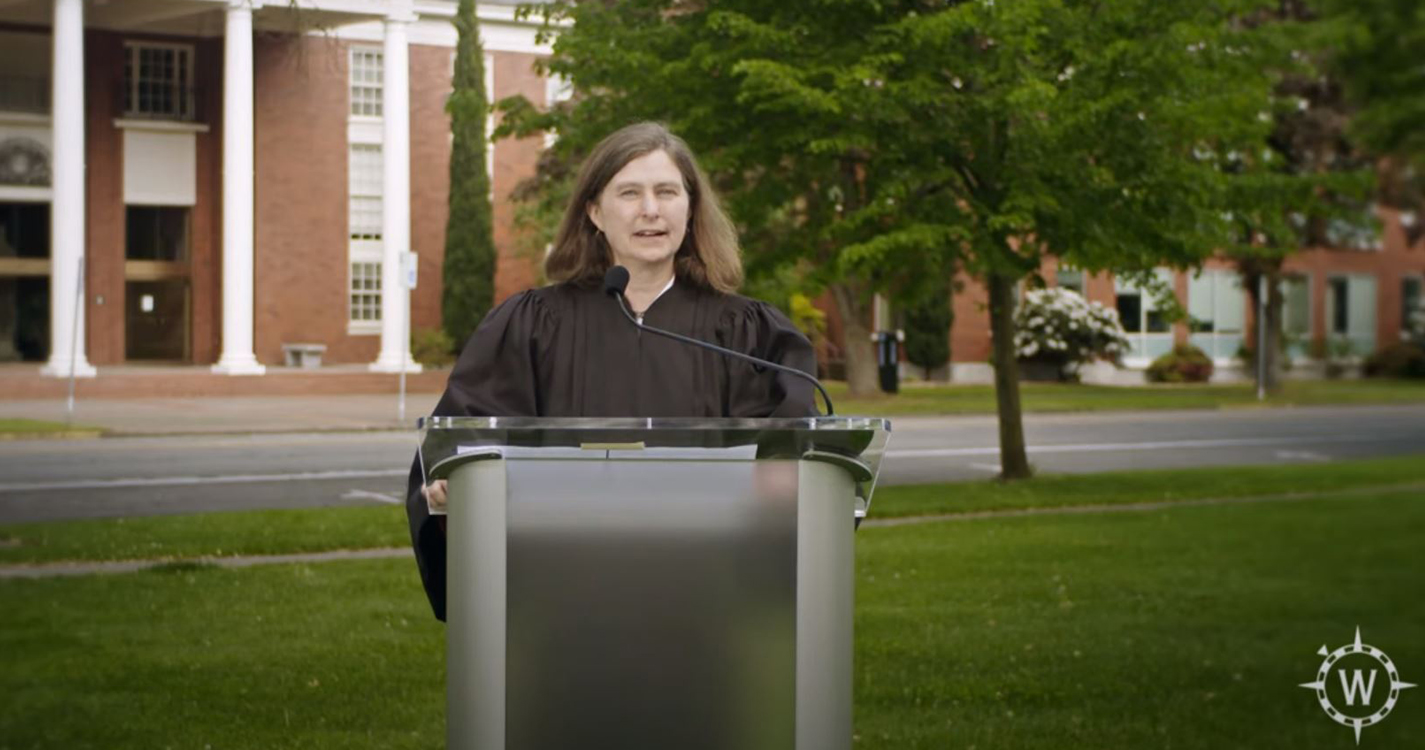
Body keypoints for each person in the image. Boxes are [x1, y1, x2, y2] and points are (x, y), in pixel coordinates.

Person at [406, 122, 819, 620]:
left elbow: (792, 453)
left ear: (690, 209)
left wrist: (781, 473)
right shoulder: (533, 325)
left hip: (704, 602)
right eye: (629, 193)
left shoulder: (745, 332)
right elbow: (463, 439)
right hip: (559, 600)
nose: (651, 209)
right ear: (595, 212)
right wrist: (455, 488)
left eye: (667, 192)